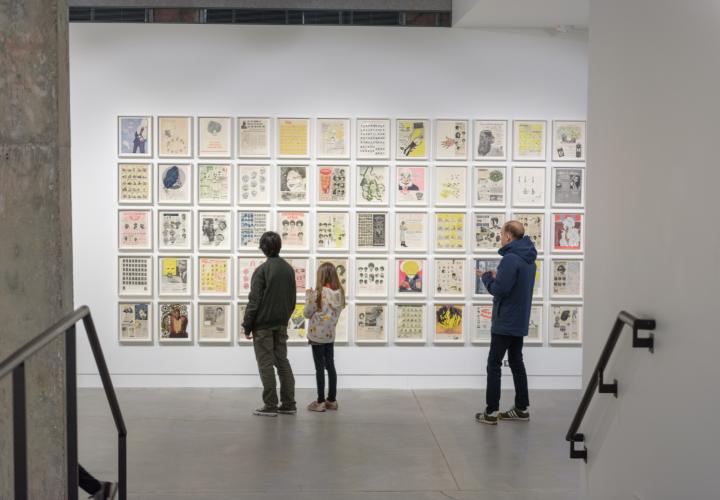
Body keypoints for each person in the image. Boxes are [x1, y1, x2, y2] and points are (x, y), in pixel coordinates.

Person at [475, 220, 536, 425]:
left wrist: (486, 278)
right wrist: (497, 277)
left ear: (509, 236)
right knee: (517, 362)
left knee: (494, 364)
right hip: (519, 320)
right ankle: (521, 408)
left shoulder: (510, 259)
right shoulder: (529, 259)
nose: (500, 237)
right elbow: (515, 287)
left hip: (505, 321)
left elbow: (499, 290)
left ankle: (491, 412)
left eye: (501, 234)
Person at [242, 231, 297, 417]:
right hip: (281, 324)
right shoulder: (288, 269)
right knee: (282, 362)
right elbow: (292, 300)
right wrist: (284, 318)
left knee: (265, 364)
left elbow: (254, 301)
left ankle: (271, 405)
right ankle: (289, 403)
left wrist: (247, 325)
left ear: (263, 248)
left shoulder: (262, 270)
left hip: (263, 326)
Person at [303, 263, 346, 412]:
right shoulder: (340, 293)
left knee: (319, 368)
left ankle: (320, 401)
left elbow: (307, 313)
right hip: (330, 335)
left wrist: (308, 297)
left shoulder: (318, 293)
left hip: (316, 336)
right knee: (330, 366)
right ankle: (332, 400)